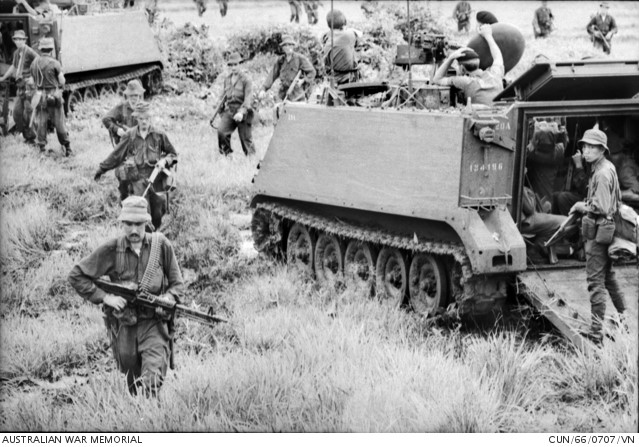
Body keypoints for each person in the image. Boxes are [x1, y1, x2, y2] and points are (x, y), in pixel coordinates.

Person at [68, 196, 184, 397]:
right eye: (128, 224)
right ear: (121, 224)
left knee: (152, 381)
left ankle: (152, 419)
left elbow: (178, 285)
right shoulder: (113, 249)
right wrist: (106, 298)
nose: (133, 230)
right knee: (134, 382)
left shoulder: (161, 245)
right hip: (125, 328)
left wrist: (169, 298)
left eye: (138, 224)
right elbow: (77, 275)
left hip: (154, 324)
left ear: (147, 223)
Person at [569, 128, 626, 346]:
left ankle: (595, 334)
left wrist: (580, 206)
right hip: (605, 228)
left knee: (596, 282)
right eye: (584, 146)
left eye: (591, 147)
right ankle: (624, 319)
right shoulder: (605, 167)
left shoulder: (601, 173)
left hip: (599, 231)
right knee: (608, 277)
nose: (586, 151)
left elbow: (600, 206)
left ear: (602, 149)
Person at [94, 102, 178, 230]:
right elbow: (117, 155)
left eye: (147, 118)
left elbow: (173, 154)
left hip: (156, 179)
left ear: (151, 118)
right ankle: (146, 239)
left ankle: (156, 235)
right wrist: (101, 169)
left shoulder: (159, 135)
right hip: (138, 179)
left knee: (158, 212)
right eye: (141, 118)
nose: (144, 121)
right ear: (137, 119)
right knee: (143, 212)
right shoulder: (130, 135)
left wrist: (165, 161)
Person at [432, 24, 504, 106]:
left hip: (478, 117)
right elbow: (498, 57)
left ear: (462, 69)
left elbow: (437, 79)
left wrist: (450, 58)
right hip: (499, 114)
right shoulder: (495, 75)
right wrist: (488, 35)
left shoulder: (465, 82)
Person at [102, 79, 145, 200]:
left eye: (136, 95)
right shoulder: (121, 108)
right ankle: (124, 198)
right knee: (122, 174)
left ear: (140, 95)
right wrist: (117, 130)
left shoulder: (143, 108)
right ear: (127, 95)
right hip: (124, 149)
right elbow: (106, 119)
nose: (134, 98)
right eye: (131, 95)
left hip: (140, 148)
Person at [30, 37, 71, 155]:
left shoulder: (34, 63)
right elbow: (62, 82)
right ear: (51, 49)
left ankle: (41, 149)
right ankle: (67, 148)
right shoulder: (55, 63)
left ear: (40, 49)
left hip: (40, 97)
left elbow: (32, 81)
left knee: (41, 123)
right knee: (59, 123)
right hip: (54, 96)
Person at [0, 29, 37, 144]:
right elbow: (13, 67)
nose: (18, 42)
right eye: (16, 40)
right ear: (14, 41)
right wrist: (3, 78)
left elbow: (39, 62)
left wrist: (33, 77)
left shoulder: (29, 51)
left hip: (29, 87)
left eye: (21, 39)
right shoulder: (17, 53)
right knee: (16, 113)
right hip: (20, 87)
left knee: (28, 113)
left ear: (24, 40)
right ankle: (24, 134)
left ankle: (32, 138)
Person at [216, 52, 255, 156]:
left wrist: (241, 112)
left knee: (245, 139)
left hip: (244, 111)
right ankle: (227, 155)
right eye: (231, 65)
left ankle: (251, 160)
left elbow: (248, 99)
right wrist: (220, 111)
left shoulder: (246, 79)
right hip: (230, 110)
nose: (233, 67)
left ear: (240, 65)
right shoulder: (227, 79)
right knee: (221, 132)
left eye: (236, 64)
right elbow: (223, 96)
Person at [260, 35, 316, 102]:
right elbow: (272, 75)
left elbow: (312, 72)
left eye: (289, 45)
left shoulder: (300, 59)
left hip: (296, 95)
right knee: (279, 110)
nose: (287, 47)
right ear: (283, 48)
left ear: (293, 46)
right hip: (283, 94)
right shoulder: (281, 60)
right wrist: (263, 89)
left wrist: (303, 80)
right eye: (285, 45)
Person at [321, 9, 362, 85]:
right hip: (348, 79)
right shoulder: (349, 35)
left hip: (333, 80)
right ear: (343, 24)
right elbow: (360, 34)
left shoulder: (326, 39)